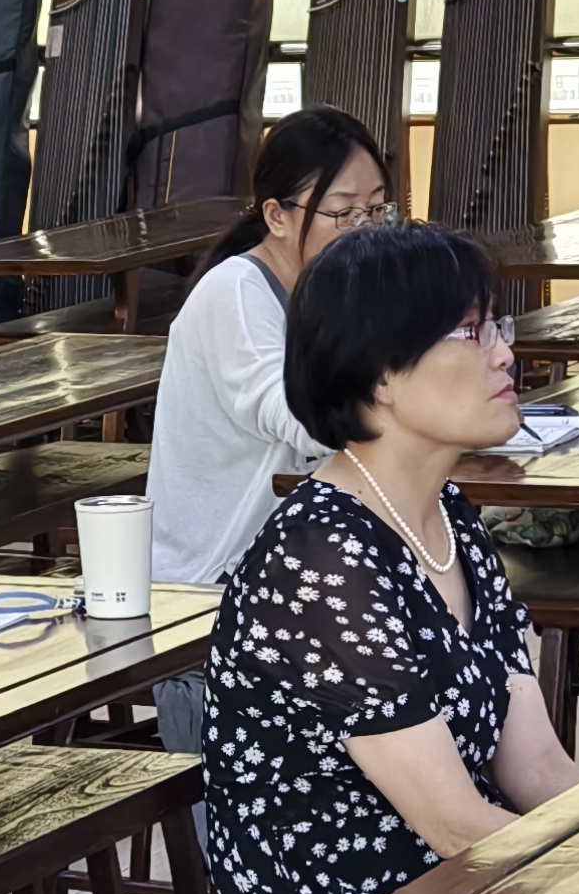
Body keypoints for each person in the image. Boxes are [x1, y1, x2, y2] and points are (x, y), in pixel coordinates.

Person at [196, 221, 579, 894]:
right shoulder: (318, 559)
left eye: (497, 326)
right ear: (378, 376)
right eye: (469, 332)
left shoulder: (447, 517)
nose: (504, 353)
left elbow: (540, 771)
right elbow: (453, 823)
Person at [144, 108, 393, 752]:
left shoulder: (338, 291)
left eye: (376, 210)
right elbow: (300, 420)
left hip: (304, 578)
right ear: (277, 216)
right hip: (216, 596)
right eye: (343, 213)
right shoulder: (236, 293)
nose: (365, 230)